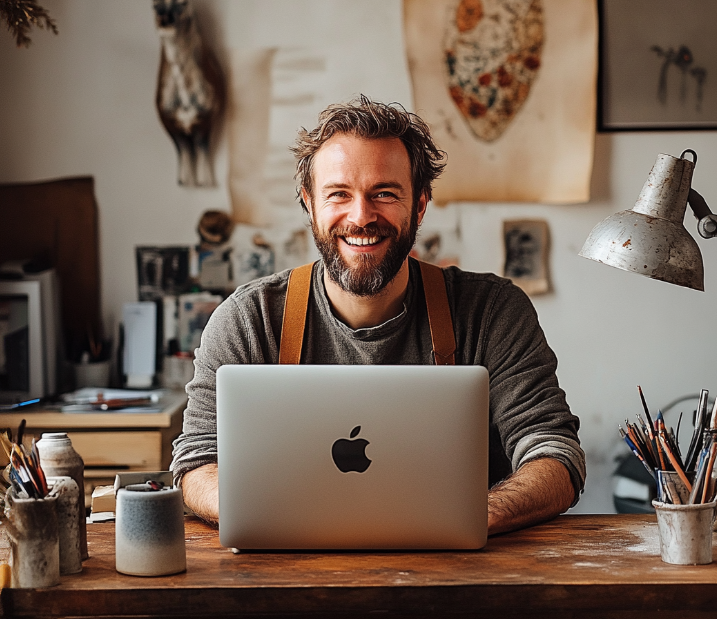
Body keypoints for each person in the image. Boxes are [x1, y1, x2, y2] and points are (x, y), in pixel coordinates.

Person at [171, 96, 584, 535]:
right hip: (287, 575)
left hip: (459, 579)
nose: (361, 216)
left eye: (384, 193)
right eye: (339, 194)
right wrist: (276, 512)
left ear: (420, 206)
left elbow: (555, 453)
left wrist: (475, 515)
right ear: (309, 204)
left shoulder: (492, 311)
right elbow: (197, 462)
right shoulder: (248, 319)